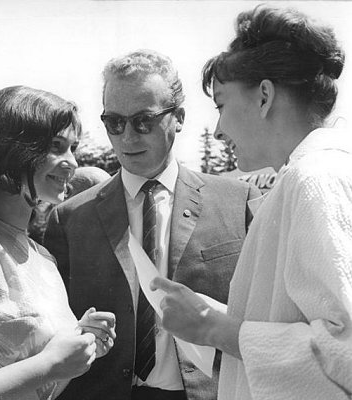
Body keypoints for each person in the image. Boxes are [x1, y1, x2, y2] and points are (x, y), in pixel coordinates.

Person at [151, 5, 352, 400]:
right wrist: (224, 315)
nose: (220, 128)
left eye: (222, 104)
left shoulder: (312, 180)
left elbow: (344, 351)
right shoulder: (321, 172)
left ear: (264, 96)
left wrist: (217, 329)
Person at [44, 49, 260, 400]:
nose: (128, 137)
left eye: (143, 121)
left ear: (179, 118)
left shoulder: (239, 201)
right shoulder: (68, 219)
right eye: (114, 122)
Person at [0, 85, 116, 400]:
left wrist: (82, 338)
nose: (72, 162)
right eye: (56, 146)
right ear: (11, 151)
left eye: (72, 147)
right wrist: (48, 365)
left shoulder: (43, 256)